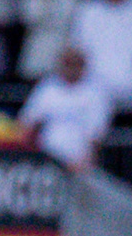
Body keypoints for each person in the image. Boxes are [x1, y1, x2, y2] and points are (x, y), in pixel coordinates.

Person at [16, 40, 118, 169]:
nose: (71, 68)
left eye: (76, 63)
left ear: (83, 64)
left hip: (78, 163)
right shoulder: (48, 87)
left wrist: (84, 162)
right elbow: (28, 123)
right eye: (67, 63)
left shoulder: (96, 92)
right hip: (45, 161)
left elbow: (96, 136)